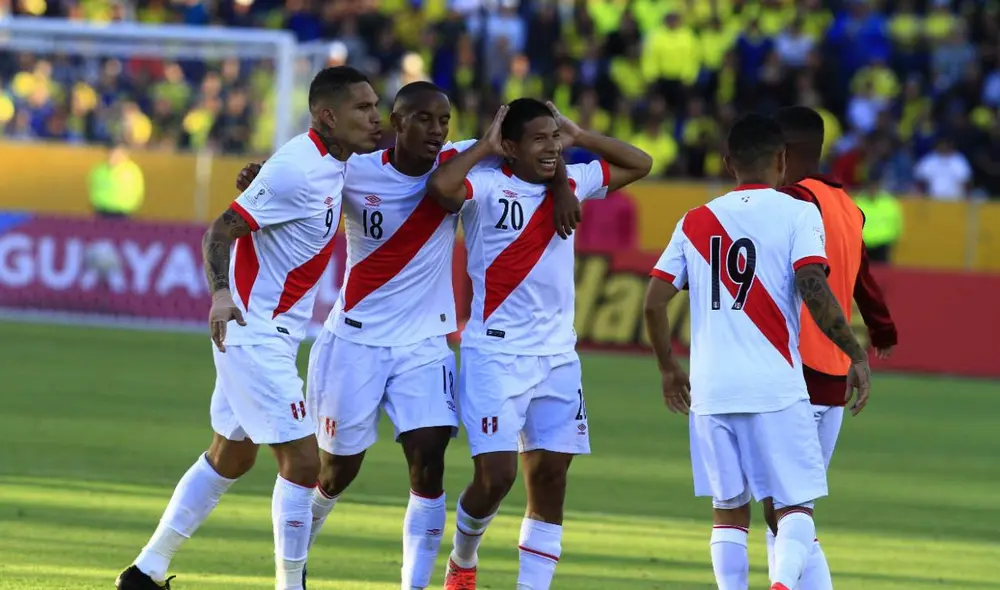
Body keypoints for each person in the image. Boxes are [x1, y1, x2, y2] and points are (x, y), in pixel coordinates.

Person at [233, 82, 581, 590]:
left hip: (424, 344)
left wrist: (563, 184)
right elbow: (303, 175)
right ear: (397, 123)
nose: (436, 130)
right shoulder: (356, 170)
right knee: (335, 472)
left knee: (429, 461)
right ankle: (295, 563)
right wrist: (260, 174)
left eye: (443, 120)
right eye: (423, 119)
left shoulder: (466, 159)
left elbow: (538, 155)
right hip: (354, 341)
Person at [115, 66, 382, 590]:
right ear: (328, 116)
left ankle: (145, 570)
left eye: (375, 105)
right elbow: (217, 233)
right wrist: (220, 294)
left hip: (270, 336)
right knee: (302, 462)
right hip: (253, 331)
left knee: (230, 457)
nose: (376, 116)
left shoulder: (331, 163)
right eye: (363, 108)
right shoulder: (298, 169)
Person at [425, 98, 652, 590]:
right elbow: (440, 187)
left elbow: (641, 162)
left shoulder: (573, 182)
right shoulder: (486, 185)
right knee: (497, 476)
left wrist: (580, 137)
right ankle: (463, 558)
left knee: (550, 481)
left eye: (554, 136)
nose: (551, 147)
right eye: (539, 139)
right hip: (495, 354)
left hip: (557, 359)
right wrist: (486, 146)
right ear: (509, 146)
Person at [643, 113, 872, 590]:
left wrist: (668, 368)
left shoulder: (695, 220)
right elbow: (812, 285)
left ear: (729, 164)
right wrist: (854, 352)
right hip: (775, 386)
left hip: (710, 390)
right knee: (794, 506)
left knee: (728, 511)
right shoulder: (797, 213)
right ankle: (782, 584)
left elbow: (653, 302)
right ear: (782, 160)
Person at [769, 105, 898, 589]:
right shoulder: (848, 206)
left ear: (783, 153)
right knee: (795, 507)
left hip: (794, 365)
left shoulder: (793, 202)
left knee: (781, 506)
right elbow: (863, 278)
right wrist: (881, 331)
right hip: (834, 372)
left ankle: (780, 584)